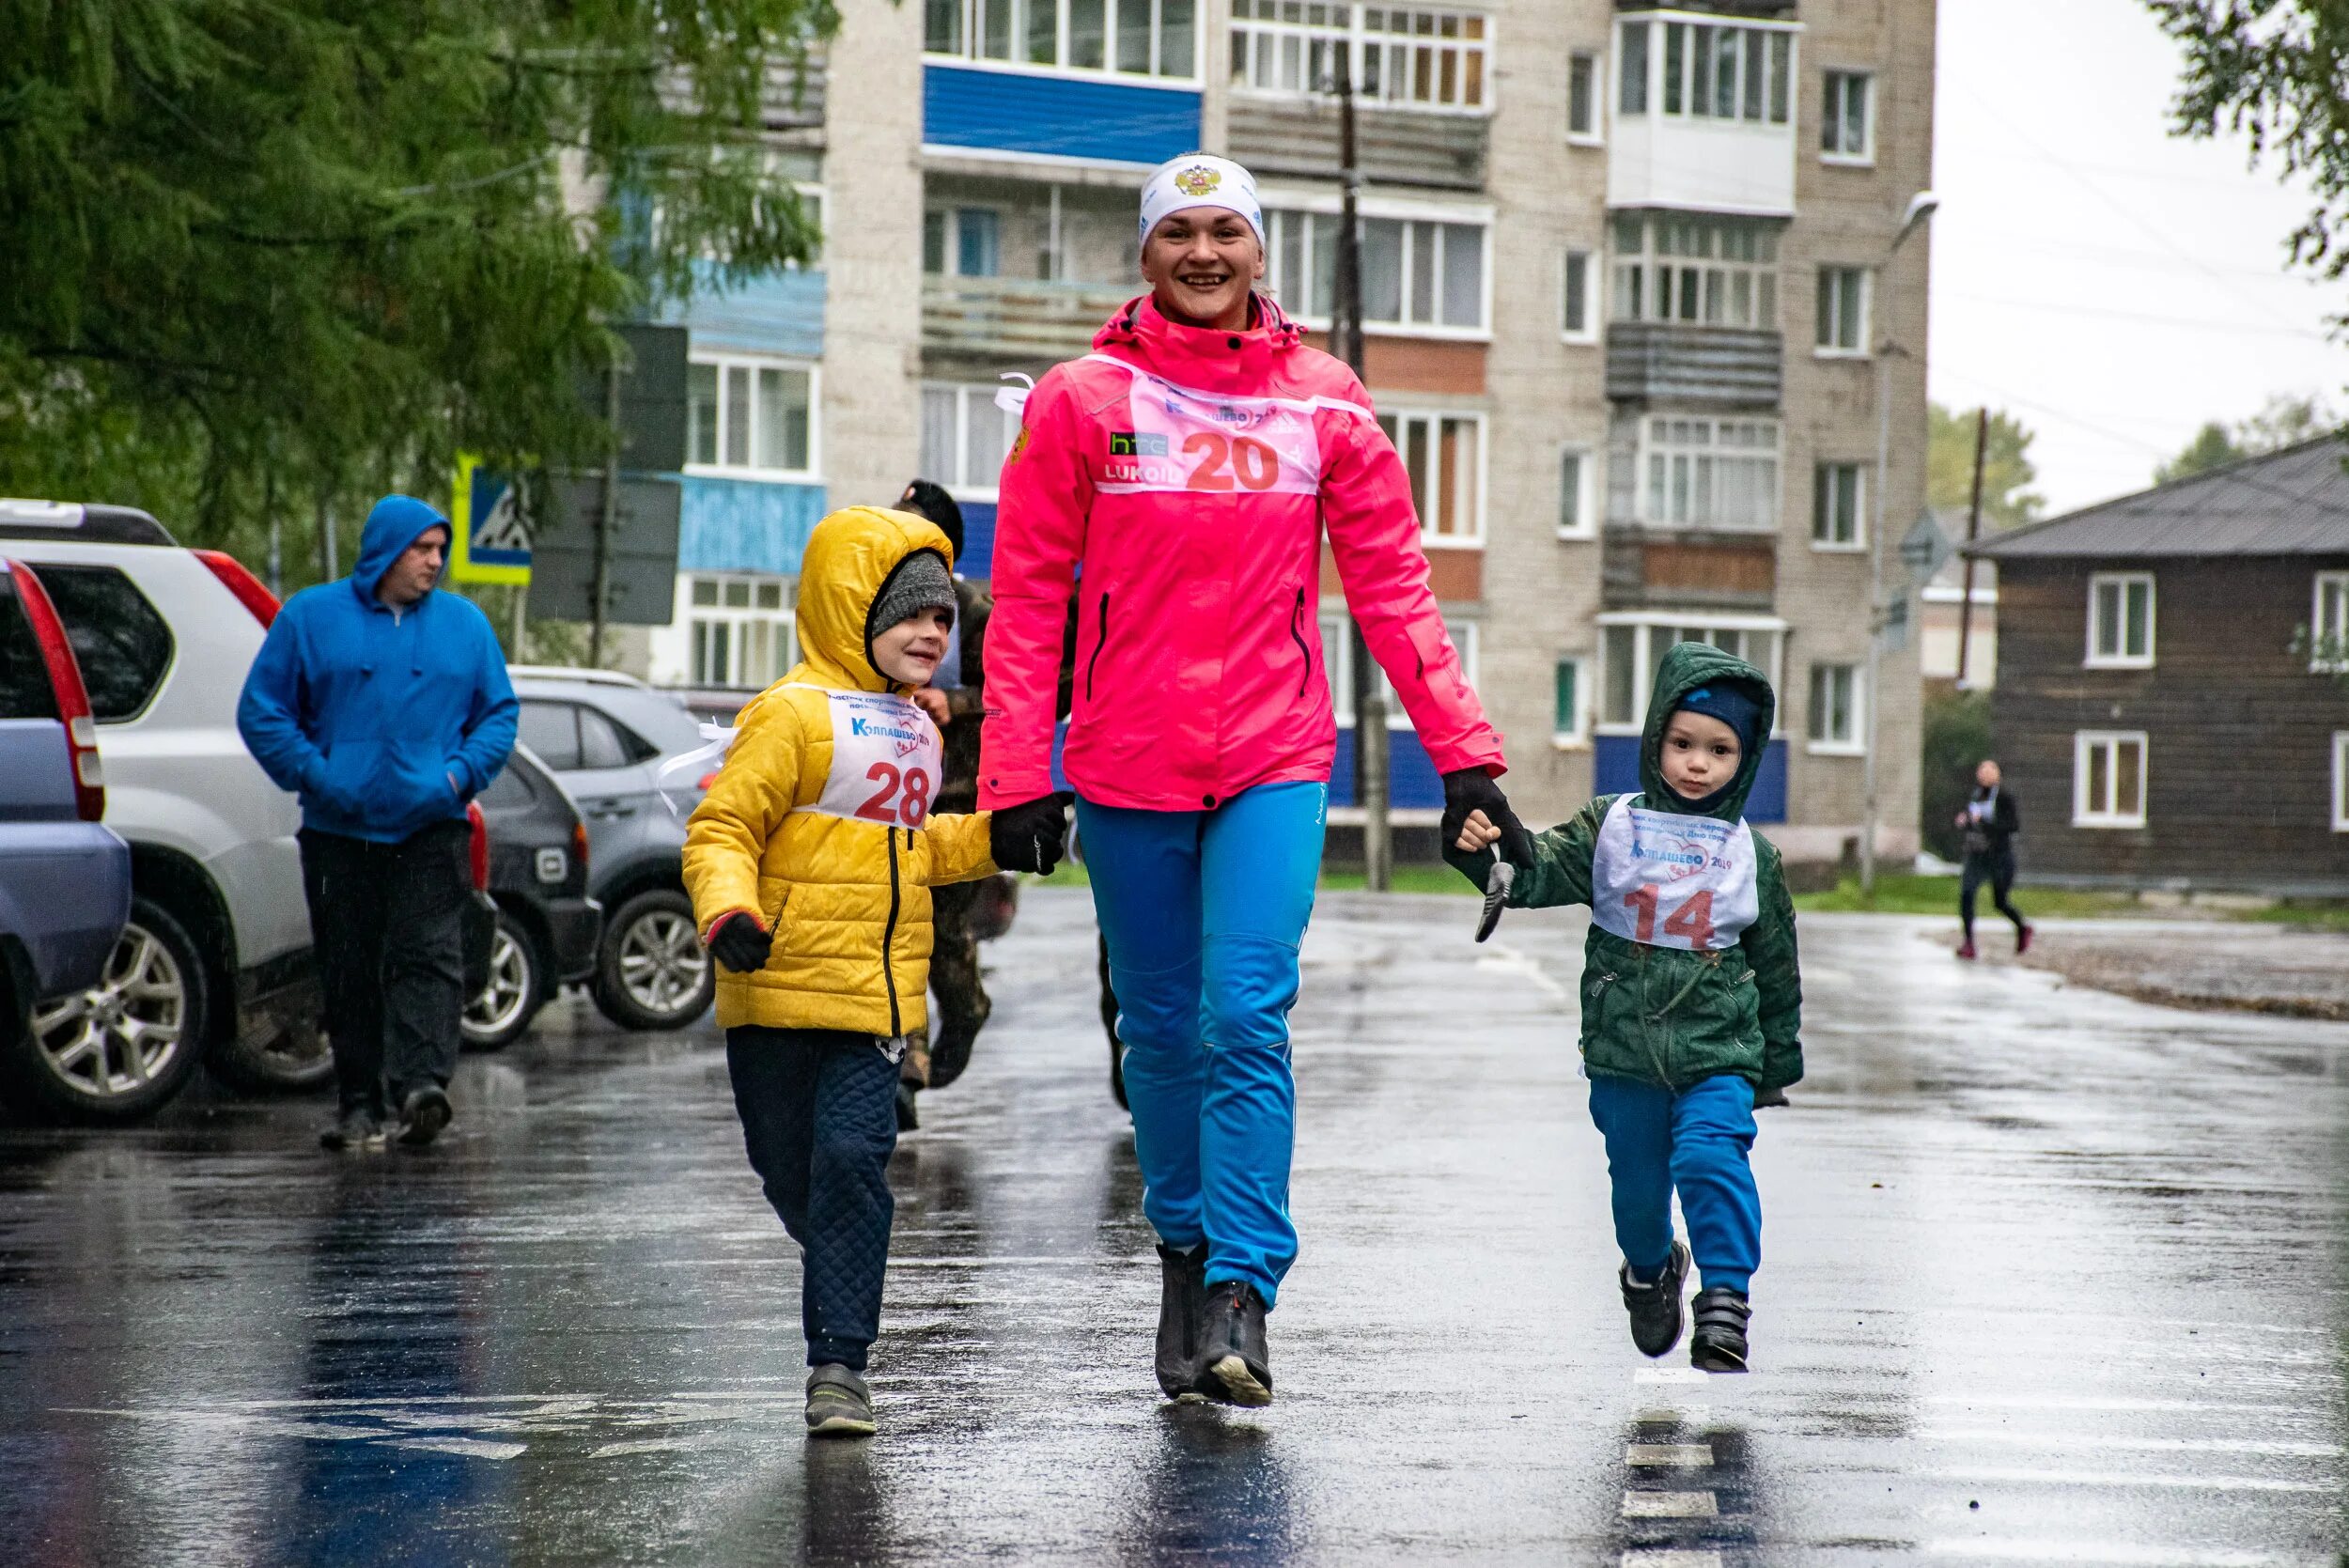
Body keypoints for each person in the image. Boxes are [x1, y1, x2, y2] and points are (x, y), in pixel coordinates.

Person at [979, 152, 1530, 1407]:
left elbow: (1395, 591)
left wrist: (1468, 762)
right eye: (1181, 233)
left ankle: (1242, 1287)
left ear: (1260, 252)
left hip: (1274, 756)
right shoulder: (1082, 398)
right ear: (1147, 254)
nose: (1205, 253)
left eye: (1228, 231)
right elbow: (1026, 605)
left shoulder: (1326, 403)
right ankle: (1183, 1251)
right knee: (1159, 1032)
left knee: (1243, 1015)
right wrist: (1018, 772)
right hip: (1123, 759)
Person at [681, 505, 1006, 1438]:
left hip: (877, 1004)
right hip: (775, 995)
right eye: (909, 614)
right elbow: (722, 830)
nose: (931, 634)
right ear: (850, 608)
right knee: (795, 1175)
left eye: (942, 620)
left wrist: (997, 837)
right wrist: (726, 909)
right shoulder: (789, 715)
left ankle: (839, 1368)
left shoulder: (917, 729)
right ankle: (836, 1268)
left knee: (857, 1168)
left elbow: (915, 846)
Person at [1451, 643, 1802, 1373]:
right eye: (1682, 743)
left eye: (1720, 749)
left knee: (1711, 1157)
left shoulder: (1751, 857)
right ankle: (1650, 1270)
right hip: (1624, 1055)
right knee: (1638, 1190)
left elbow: (1776, 966)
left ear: (1746, 757)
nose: (1697, 763)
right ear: (1654, 740)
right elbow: (1536, 869)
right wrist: (1484, 849)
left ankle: (1726, 1300)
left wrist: (1775, 1065)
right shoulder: (1612, 827)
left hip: (1718, 1057)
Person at [238, 494, 518, 1152]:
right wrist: (317, 772)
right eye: (422, 548)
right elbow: (263, 711)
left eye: (440, 548)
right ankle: (358, 1102)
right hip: (339, 829)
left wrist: (456, 776)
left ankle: (421, 1086)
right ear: (385, 550)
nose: (435, 560)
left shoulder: (465, 625)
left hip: (432, 824)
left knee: (430, 955)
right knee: (349, 964)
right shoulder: (311, 617)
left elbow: (498, 715)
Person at [891, 478, 996, 1130]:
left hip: (959, 799)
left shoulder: (974, 611)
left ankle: (964, 1010)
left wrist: (952, 702)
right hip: (887, 797)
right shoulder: (874, 605)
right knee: (899, 924)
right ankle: (905, 1064)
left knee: (940, 935)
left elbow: (1022, 688)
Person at [1954, 758, 2030, 959]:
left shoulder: (2005, 797)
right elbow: (1971, 820)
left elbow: (2013, 826)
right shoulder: (1975, 795)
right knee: (1967, 894)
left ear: (1998, 775)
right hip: (1977, 854)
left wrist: (1986, 822)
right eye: (1982, 770)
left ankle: (2022, 927)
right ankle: (1969, 943)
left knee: (2000, 902)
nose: (1985, 774)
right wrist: (1965, 820)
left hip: (1999, 856)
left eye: (1990, 770)